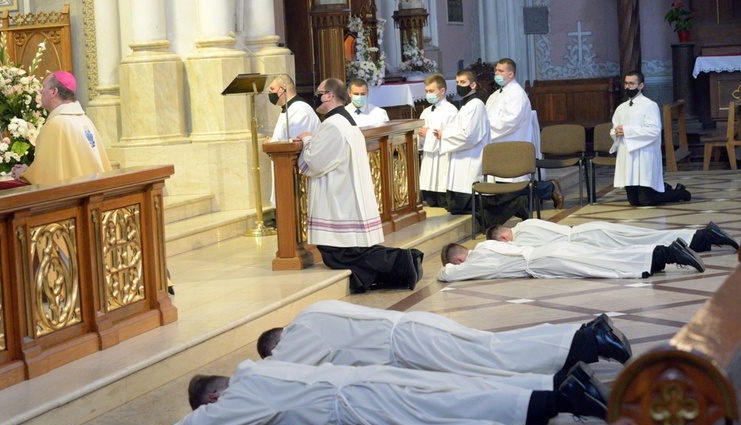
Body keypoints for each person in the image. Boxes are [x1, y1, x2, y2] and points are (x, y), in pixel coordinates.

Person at [170, 358, 609, 425]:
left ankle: (560, 399)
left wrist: (178, 423)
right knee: (454, 388)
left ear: (213, 396)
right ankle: (554, 387)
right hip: (364, 378)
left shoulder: (239, 395)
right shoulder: (257, 369)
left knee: (446, 412)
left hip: (358, 402)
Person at [254, 300, 631, 387]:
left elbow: (283, 372)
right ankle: (581, 339)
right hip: (412, 329)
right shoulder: (315, 310)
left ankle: (585, 340)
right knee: (492, 346)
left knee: (490, 354)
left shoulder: (301, 330)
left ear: (277, 343)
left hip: (406, 343)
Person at [298, 78, 423, 293]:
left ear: (329, 95)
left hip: (336, 198)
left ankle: (403, 260)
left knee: (338, 252)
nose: (316, 96)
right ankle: (391, 270)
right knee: (344, 252)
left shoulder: (333, 124)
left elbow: (315, 162)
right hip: (345, 193)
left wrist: (307, 140)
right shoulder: (345, 122)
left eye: (319, 92)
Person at [3, 71, 111, 188]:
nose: (40, 91)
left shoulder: (56, 124)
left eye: (43, 87)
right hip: (93, 189)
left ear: (54, 92)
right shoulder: (85, 120)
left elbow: (46, 176)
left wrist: (24, 174)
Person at [485, 58, 563, 214]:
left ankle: (550, 187)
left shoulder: (517, 94)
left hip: (512, 143)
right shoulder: (495, 95)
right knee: (503, 184)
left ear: (511, 74)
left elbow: (510, 121)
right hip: (497, 143)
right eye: (496, 70)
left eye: (501, 71)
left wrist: (487, 124)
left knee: (514, 184)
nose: (496, 74)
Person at [438, 237, 705, 282]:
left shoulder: (473, 261)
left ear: (459, 259)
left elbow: (447, 274)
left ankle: (666, 254)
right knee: (602, 257)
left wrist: (448, 266)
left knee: (600, 265)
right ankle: (664, 253)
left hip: (542, 262)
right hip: (544, 251)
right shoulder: (486, 245)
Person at [611, 71, 690, 206]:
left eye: (631, 83)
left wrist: (627, 130)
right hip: (628, 156)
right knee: (634, 201)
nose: (628, 86)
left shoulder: (649, 105)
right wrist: (616, 132)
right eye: (626, 83)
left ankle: (680, 193)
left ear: (641, 85)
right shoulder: (621, 108)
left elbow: (654, 130)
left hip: (644, 155)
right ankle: (664, 187)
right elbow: (614, 128)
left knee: (646, 200)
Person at [487, 220, 739, 252]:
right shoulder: (527, 223)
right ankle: (701, 235)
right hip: (588, 229)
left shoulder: (521, 241)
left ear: (503, 239)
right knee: (645, 236)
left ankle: (703, 235)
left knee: (645, 241)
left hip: (589, 239)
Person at [436, 69, 491, 214]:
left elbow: (469, 136)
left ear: (473, 85)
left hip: (471, 156)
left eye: (463, 82)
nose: (459, 85)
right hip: (464, 156)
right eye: (457, 82)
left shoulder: (475, 105)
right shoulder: (467, 105)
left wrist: (445, 134)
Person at [265, 74, 321, 207]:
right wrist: (275, 140)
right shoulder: (290, 109)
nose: (269, 93)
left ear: (281, 90)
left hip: (299, 174)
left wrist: (272, 144)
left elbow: (296, 143)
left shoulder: (299, 109)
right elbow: (286, 136)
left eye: (271, 89)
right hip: (286, 168)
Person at [418, 74, 458, 207]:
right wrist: (421, 135)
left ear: (442, 91)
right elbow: (420, 133)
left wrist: (428, 133)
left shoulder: (451, 111)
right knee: (430, 199)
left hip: (442, 155)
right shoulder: (426, 112)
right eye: (426, 91)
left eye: (431, 91)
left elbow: (451, 135)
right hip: (429, 155)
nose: (428, 94)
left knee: (441, 190)